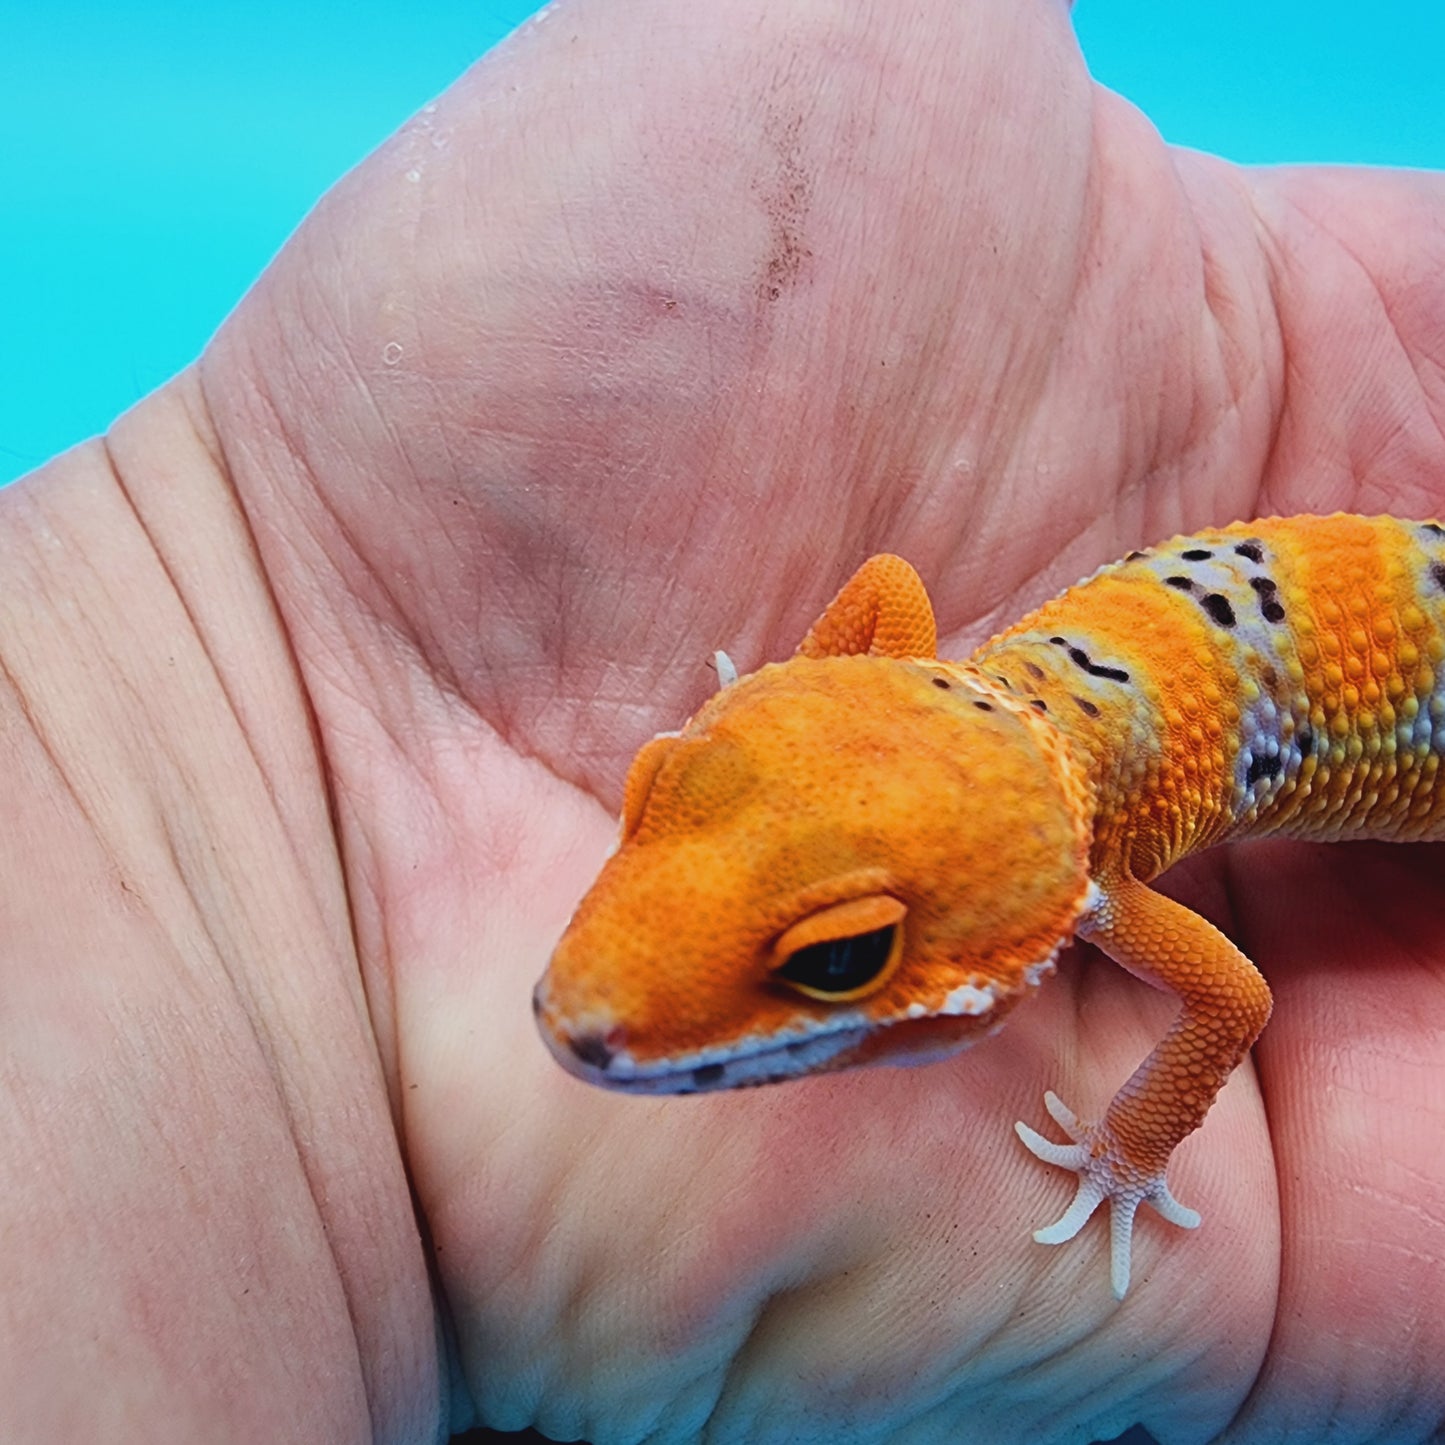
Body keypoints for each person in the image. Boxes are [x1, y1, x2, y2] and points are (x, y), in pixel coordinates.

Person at [3, 2, 1443, 1440]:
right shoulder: (1001, 766)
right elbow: (880, 595)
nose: (594, 1011)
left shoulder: (1098, 887)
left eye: (834, 956)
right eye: (676, 788)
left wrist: (1131, 1149)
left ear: (1054, 898)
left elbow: (1232, 999)